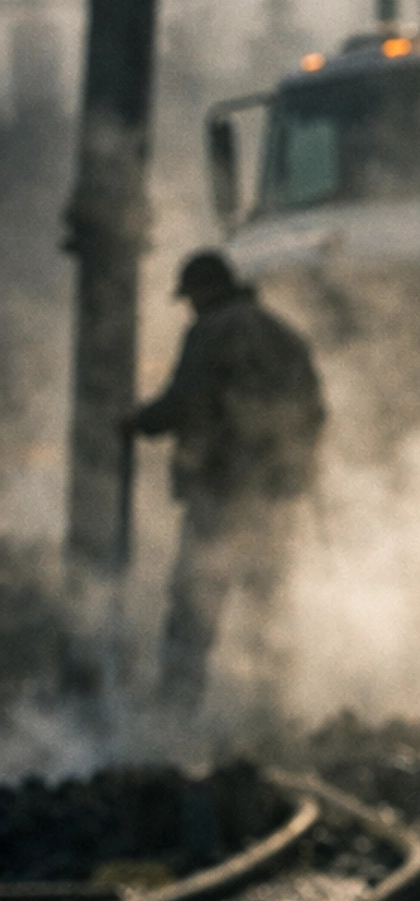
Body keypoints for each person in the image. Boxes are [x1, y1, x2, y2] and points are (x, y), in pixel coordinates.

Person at [130, 249, 324, 707]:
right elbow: (314, 412)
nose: (189, 305)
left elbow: (187, 401)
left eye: (190, 295)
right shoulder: (283, 334)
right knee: (266, 603)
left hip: (220, 493)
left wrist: (139, 421)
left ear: (203, 289)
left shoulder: (211, 331)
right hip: (274, 495)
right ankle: (270, 708)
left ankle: (175, 708)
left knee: (195, 604)